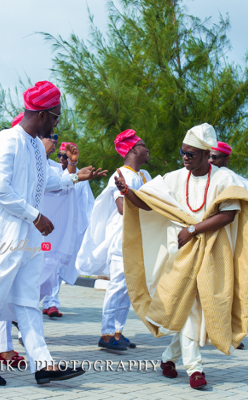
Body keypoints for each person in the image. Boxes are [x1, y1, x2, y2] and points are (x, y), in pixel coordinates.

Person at [0, 81, 105, 386]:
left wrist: (73, 178)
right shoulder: (8, 140)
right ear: (43, 114)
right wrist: (35, 215)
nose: (57, 123)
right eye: (55, 117)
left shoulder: (33, 145)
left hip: (28, 234)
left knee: (29, 299)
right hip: (4, 232)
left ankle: (42, 364)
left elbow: (41, 184)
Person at [115, 123, 248, 389]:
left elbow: (228, 215)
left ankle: (170, 358)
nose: (185, 157)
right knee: (191, 305)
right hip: (180, 251)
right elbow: (151, 202)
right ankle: (194, 368)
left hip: (212, 250)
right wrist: (128, 193)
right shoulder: (175, 177)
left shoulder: (223, 179)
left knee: (196, 305)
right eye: (182, 152)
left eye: (191, 154)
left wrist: (193, 229)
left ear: (207, 154)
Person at [76, 129, 151, 351]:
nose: (148, 150)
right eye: (144, 145)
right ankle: (106, 334)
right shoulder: (120, 174)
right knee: (117, 285)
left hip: (140, 238)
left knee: (129, 288)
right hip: (122, 238)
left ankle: (118, 331)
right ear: (134, 148)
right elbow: (122, 208)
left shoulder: (145, 176)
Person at [209, 141, 248, 350]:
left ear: (226, 159)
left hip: (234, 243)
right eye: (209, 156)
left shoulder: (242, 183)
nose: (211, 161)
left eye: (215, 157)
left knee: (232, 288)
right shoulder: (204, 180)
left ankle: (229, 334)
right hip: (209, 241)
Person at [40, 142, 94, 317]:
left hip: (68, 227)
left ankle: (51, 302)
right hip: (47, 226)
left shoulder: (79, 177)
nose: (62, 159)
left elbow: (85, 205)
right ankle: (44, 302)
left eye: (66, 156)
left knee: (58, 266)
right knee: (48, 265)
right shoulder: (53, 171)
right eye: (60, 156)